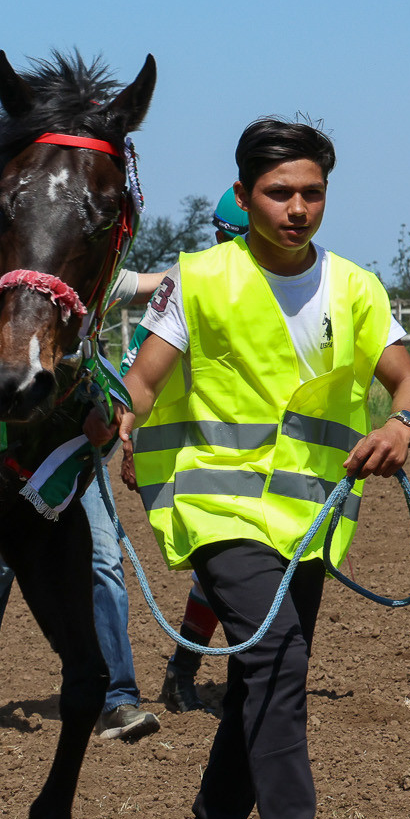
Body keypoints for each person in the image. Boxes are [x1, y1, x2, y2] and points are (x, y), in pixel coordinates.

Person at [117, 119, 410, 819]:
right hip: (216, 507)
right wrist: (119, 420)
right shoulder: (196, 279)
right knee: (277, 658)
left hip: (308, 520)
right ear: (244, 194)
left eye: (312, 193)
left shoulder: (355, 288)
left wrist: (399, 425)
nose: (297, 208)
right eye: (278, 192)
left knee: (265, 678)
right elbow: (142, 382)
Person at [0, 266, 166, 744]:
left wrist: (230, 255)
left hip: (75, 453)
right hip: (21, 449)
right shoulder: (7, 284)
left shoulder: (95, 279)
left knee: (104, 562)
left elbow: (163, 282)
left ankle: (117, 700)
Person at [158, 187, 247, 714]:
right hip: (205, 450)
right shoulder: (196, 284)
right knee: (223, 568)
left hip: (261, 453)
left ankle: (186, 671)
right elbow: (142, 366)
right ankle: (186, 670)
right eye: (219, 236)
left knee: (223, 573)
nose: (221, 246)